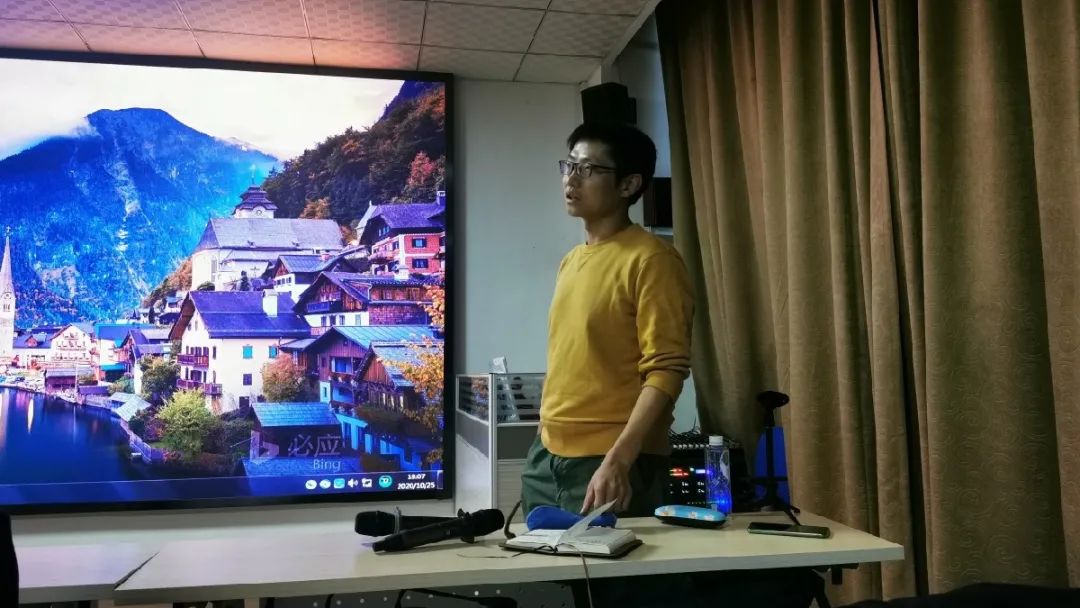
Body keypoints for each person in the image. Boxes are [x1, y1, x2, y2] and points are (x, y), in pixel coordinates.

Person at [520, 121, 692, 520]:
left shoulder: (653, 260)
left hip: (610, 462)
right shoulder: (571, 261)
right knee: (541, 560)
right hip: (547, 455)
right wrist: (544, 437)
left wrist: (618, 459)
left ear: (629, 184)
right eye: (569, 165)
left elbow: (667, 370)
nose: (572, 179)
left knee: (611, 564)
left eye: (589, 169)